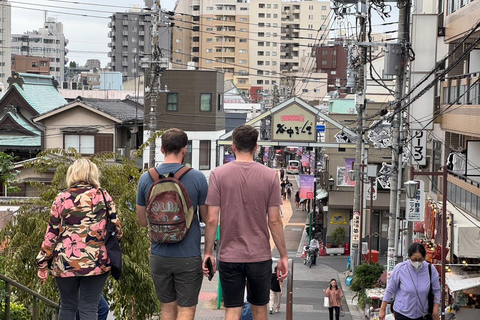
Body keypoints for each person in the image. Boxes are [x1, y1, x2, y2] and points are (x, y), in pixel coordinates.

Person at [203, 125, 289, 320]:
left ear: (233, 147)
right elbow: (274, 221)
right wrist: (283, 255)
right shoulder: (270, 176)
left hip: (229, 255)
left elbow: (211, 219)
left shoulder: (218, 174)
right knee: (259, 310)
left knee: (232, 310)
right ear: (256, 147)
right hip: (259, 255)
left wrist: (208, 253)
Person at [36, 159, 123, 320]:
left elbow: (51, 234)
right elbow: (117, 229)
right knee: (89, 307)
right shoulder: (103, 196)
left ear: (72, 174)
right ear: (93, 174)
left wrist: (42, 264)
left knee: (68, 306)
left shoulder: (61, 198)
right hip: (96, 261)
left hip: (65, 262)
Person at [136, 128, 208, 320]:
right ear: (185, 150)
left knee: (167, 308)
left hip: (159, 255)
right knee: (186, 309)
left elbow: (142, 222)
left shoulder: (146, 178)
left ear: (161, 149)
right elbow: (207, 217)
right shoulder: (198, 178)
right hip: (188, 255)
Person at [379, 243, 441, 320]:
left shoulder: (431, 270)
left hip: (423, 314)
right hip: (402, 314)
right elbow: (390, 289)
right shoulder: (400, 269)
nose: (417, 262)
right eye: (414, 259)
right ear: (409, 257)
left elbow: (436, 291)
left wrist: (435, 311)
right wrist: (382, 309)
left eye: (420, 259)